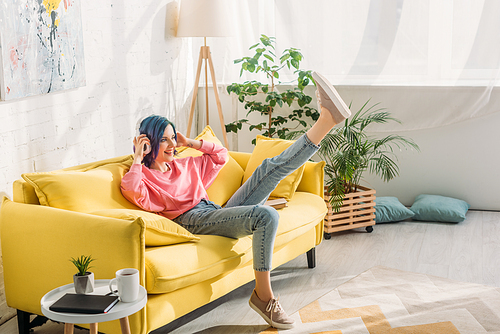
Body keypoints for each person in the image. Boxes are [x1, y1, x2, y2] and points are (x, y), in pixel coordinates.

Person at [120, 72, 350, 330]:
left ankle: (326, 121)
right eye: (164, 139)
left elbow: (220, 155)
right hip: (191, 221)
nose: (172, 144)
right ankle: (264, 297)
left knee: (268, 169)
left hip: (213, 212)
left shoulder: (184, 164)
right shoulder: (145, 177)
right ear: (148, 143)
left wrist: (191, 142)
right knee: (267, 216)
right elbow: (131, 191)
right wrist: (138, 158)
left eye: (173, 137)